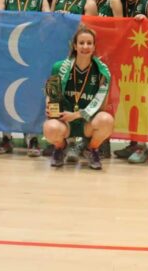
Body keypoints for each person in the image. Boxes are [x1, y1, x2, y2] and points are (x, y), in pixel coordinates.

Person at [0, 0, 50, 157]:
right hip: (8, 52)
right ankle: (6, 136)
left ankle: (32, 137)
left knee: (29, 94)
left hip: (31, 55)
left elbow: (48, 20)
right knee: (7, 93)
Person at [43, 26, 114, 170]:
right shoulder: (59, 67)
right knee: (50, 128)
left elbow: (102, 107)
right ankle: (60, 148)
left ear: (94, 47)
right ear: (75, 46)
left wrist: (76, 115)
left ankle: (91, 149)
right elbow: (51, 97)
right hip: (65, 122)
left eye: (89, 43)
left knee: (106, 120)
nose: (85, 47)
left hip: (87, 121)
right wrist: (50, 108)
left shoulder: (102, 72)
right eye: (81, 43)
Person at [114, 0, 148, 163]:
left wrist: (147, 23)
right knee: (126, 103)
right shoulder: (118, 2)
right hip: (123, 60)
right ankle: (133, 143)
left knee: (143, 105)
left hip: (144, 63)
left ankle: (143, 146)